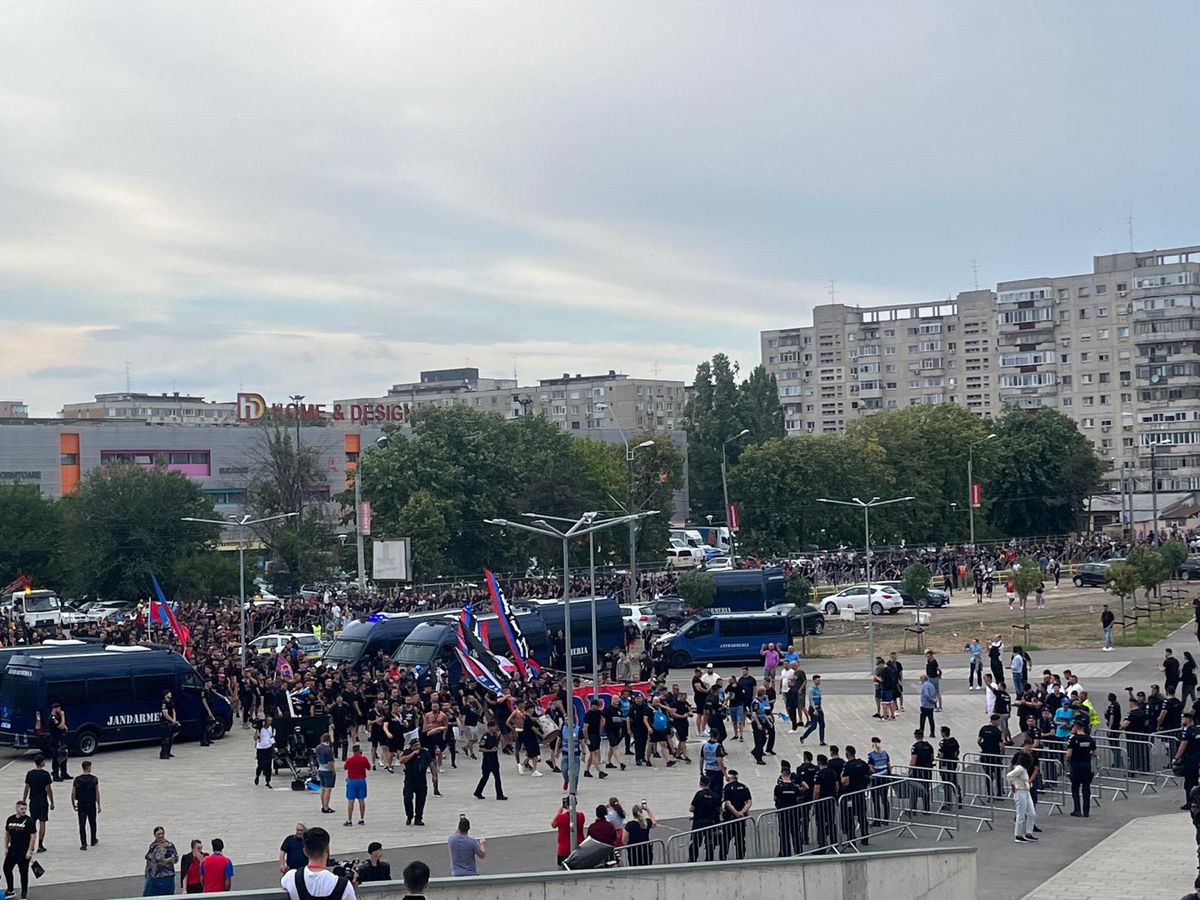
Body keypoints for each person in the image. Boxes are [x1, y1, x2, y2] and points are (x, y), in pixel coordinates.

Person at [281, 826, 358, 900]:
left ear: (305, 851)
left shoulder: (291, 877)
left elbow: (284, 882)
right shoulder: (343, 885)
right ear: (327, 850)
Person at [22, 755, 52, 854]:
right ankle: (40, 844)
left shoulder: (30, 774)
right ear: (41, 762)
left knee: (32, 822)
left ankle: (30, 844)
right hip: (42, 801)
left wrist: (24, 800)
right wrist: (52, 801)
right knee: (42, 822)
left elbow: (27, 788)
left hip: (33, 801)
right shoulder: (46, 774)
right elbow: (48, 789)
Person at [1065, 720, 1096, 818]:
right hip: (1086, 766)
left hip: (1075, 766)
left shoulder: (1073, 739)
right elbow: (1094, 753)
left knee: (1075, 788)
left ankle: (1077, 810)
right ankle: (1086, 810)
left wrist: (1067, 761)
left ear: (1076, 727)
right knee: (1086, 788)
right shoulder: (1090, 739)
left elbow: (1069, 754)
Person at [687, 776, 721, 862]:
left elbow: (691, 809)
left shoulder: (699, 794)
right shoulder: (715, 796)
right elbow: (720, 810)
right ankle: (709, 859)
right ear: (709, 784)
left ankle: (693, 859)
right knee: (710, 842)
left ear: (700, 784)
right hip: (711, 822)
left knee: (695, 842)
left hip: (699, 821)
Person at [720, 770, 752, 860]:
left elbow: (727, 803)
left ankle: (723, 858)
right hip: (741, 819)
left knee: (725, 840)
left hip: (729, 818)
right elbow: (749, 802)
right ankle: (740, 857)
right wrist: (742, 812)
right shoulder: (744, 787)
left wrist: (736, 813)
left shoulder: (727, 788)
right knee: (740, 840)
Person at [399, 737, 431, 827]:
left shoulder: (425, 752)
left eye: (419, 745)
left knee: (421, 800)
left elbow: (430, 763)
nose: (418, 747)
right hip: (409, 780)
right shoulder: (407, 752)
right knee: (407, 798)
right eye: (415, 745)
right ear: (411, 746)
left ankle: (418, 818)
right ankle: (409, 816)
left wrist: (434, 775)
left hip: (421, 781)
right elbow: (401, 760)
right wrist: (412, 754)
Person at [1007, 752, 1038, 844]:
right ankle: (1018, 835)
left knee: (1032, 813)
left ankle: (1028, 833)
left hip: (1026, 791)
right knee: (1021, 814)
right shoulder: (1020, 769)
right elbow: (1009, 775)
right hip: (1020, 791)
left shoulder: (1023, 769)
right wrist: (1012, 785)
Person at [774, 766, 805, 856]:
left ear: (782, 774)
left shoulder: (778, 788)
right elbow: (800, 796)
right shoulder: (795, 787)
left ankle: (785, 852)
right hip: (794, 813)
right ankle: (799, 851)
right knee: (796, 832)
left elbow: (775, 798)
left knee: (784, 833)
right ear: (790, 774)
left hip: (783, 813)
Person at [474, 721, 507, 801]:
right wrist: (490, 750)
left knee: (497, 777)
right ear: (489, 727)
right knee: (485, 777)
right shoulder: (485, 737)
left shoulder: (496, 736)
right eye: (494, 727)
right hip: (487, 760)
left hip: (495, 759)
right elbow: (481, 749)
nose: (495, 728)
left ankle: (499, 794)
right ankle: (478, 791)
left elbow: (502, 742)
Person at [71, 760, 100, 851]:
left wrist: (73, 803)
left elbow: (73, 793)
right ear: (88, 768)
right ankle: (93, 839)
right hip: (91, 803)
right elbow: (97, 792)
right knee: (93, 822)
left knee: (82, 824)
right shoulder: (94, 779)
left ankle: (83, 843)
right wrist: (99, 804)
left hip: (81, 804)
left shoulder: (77, 779)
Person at [143, 826, 179, 896]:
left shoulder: (168, 845)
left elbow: (175, 858)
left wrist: (165, 860)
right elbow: (149, 860)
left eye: (162, 833)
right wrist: (146, 874)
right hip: (152, 878)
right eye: (158, 834)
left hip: (165, 877)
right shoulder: (152, 846)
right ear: (154, 835)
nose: (161, 836)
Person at [551, 800, 585, 867]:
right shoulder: (581, 816)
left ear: (566, 805)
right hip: (578, 848)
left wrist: (559, 813)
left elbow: (553, 825)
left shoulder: (560, 817)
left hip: (564, 850)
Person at [343, 743, 370, 827]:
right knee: (361, 800)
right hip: (361, 780)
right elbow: (368, 767)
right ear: (360, 751)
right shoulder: (363, 759)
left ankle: (349, 820)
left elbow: (345, 767)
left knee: (351, 800)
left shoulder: (349, 760)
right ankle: (362, 819)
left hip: (352, 781)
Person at [799, 675, 825, 744]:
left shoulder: (818, 688)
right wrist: (814, 709)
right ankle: (803, 737)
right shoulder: (811, 689)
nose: (819, 681)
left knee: (822, 724)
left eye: (819, 680)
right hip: (813, 709)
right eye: (817, 680)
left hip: (819, 708)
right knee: (814, 726)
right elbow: (811, 700)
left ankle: (822, 741)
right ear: (814, 680)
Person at [315, 734, 336, 815]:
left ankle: (323, 806)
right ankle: (326, 807)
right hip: (327, 770)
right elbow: (330, 763)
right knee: (328, 789)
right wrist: (333, 771)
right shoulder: (328, 750)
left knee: (323, 789)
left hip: (320, 769)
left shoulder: (318, 747)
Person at [47, 702, 69, 782]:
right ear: (55, 709)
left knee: (64, 755)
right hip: (55, 740)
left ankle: (64, 773)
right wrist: (63, 716)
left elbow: (64, 727)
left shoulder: (57, 717)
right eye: (59, 709)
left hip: (61, 739)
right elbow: (61, 726)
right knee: (56, 757)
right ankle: (55, 774)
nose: (60, 711)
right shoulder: (53, 718)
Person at [254, 717, 276, 788]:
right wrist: (257, 730)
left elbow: (272, 738)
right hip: (260, 749)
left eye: (271, 720)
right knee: (260, 764)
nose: (270, 722)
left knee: (268, 766)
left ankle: (268, 781)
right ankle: (257, 775)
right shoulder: (260, 729)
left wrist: (274, 748)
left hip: (268, 748)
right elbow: (255, 738)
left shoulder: (272, 729)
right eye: (268, 720)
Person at [160, 690, 180, 760]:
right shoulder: (164, 703)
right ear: (166, 695)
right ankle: (163, 754)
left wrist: (174, 720)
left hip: (171, 722)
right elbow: (165, 714)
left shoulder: (171, 702)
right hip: (165, 722)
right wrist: (171, 720)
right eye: (169, 693)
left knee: (171, 739)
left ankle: (168, 752)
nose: (171, 694)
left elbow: (174, 711)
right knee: (166, 739)